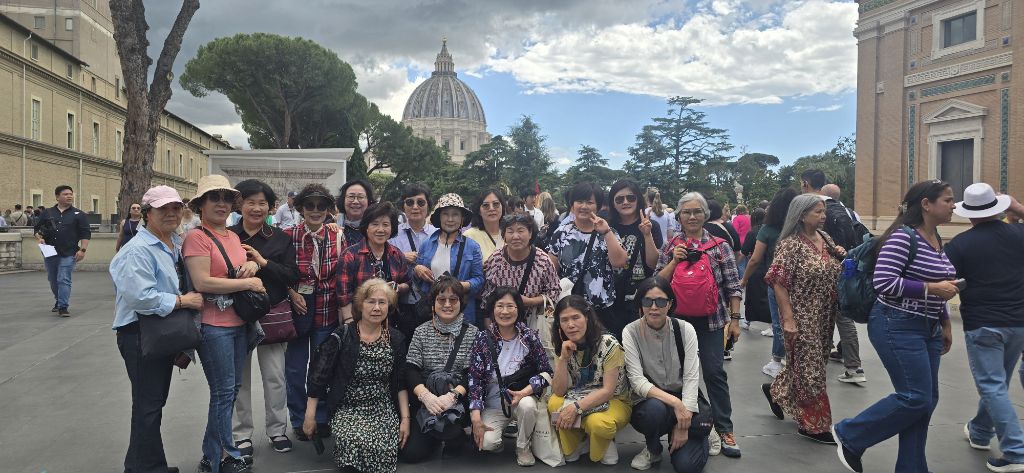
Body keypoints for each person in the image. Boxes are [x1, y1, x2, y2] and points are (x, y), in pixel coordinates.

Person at [832, 180, 958, 473]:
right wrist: (931, 288)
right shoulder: (903, 237)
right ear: (926, 204)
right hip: (896, 323)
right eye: (948, 200)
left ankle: (912, 468)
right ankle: (850, 434)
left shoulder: (935, 238)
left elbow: (942, 285)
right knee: (916, 397)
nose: (953, 205)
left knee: (926, 400)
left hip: (928, 327)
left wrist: (944, 322)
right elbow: (885, 282)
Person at [110, 185, 203, 473]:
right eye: (163, 209)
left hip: (158, 331)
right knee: (148, 405)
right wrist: (182, 301)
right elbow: (141, 297)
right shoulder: (137, 250)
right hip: (139, 333)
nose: (171, 213)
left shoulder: (173, 242)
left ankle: (146, 465)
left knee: (151, 403)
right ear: (147, 213)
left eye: (175, 208)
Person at [183, 175, 264, 473]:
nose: (221, 204)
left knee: (230, 391)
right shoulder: (196, 237)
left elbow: (238, 269)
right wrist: (248, 284)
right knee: (223, 392)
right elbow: (202, 282)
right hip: (213, 326)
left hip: (239, 324)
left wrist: (252, 264)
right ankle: (225, 455)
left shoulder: (232, 237)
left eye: (226, 198)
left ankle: (212, 455)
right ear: (201, 205)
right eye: (214, 198)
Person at [944, 183, 1024, 472]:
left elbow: (945, 282)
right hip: (1018, 322)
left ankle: (1015, 451)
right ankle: (979, 431)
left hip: (983, 324)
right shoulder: (1019, 234)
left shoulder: (960, 245)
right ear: (998, 208)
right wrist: (1017, 208)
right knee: (997, 384)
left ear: (969, 213)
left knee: (992, 385)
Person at [657, 192, 743, 458]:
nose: (692, 217)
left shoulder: (720, 246)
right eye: (686, 212)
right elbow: (657, 284)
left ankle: (724, 428)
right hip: (676, 323)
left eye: (697, 211)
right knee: (678, 375)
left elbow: (733, 286)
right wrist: (675, 260)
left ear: (705, 215)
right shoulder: (671, 246)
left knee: (714, 373)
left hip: (711, 322)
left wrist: (735, 320)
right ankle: (686, 424)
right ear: (679, 216)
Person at [761, 194, 845, 444]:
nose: (823, 216)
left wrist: (839, 255)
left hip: (825, 314)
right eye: (818, 211)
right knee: (811, 370)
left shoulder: (826, 238)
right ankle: (813, 424)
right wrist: (788, 319)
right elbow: (778, 282)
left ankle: (776, 391)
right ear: (801, 215)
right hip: (802, 314)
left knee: (812, 363)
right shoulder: (791, 244)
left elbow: (830, 268)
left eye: (823, 211)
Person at [304, 279, 411, 473]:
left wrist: (405, 419)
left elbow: (400, 382)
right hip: (348, 406)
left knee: (381, 449)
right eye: (371, 302)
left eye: (382, 302)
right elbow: (318, 376)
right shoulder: (343, 335)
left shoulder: (395, 338)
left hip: (381, 407)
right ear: (360, 305)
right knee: (353, 442)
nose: (376, 308)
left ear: (389, 307)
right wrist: (310, 416)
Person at [228, 180, 300, 459]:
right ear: (240, 205)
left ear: (270, 207)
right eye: (250, 202)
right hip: (236, 314)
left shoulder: (280, 238)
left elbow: (292, 275)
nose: (256, 208)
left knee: (275, 377)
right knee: (239, 379)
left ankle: (277, 430)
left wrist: (263, 263)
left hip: (272, 315)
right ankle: (241, 434)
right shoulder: (228, 236)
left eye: (262, 203)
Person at [623, 277, 708, 472]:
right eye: (647, 301)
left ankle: (702, 433)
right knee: (652, 411)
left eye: (661, 301)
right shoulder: (631, 331)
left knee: (687, 467)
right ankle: (653, 448)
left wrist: (683, 423)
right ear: (641, 304)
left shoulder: (685, 329)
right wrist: (676, 404)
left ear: (670, 304)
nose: (654, 307)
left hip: (683, 397)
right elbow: (637, 381)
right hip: (654, 400)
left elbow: (691, 377)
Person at [283, 184, 346, 442]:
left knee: (322, 367)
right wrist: (290, 292)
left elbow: (343, 273)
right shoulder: (288, 235)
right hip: (298, 310)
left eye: (322, 206)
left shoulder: (338, 236)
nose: (316, 210)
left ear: (328, 209)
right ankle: (299, 418)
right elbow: (277, 271)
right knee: (295, 369)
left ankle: (320, 417)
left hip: (327, 310)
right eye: (310, 205)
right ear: (301, 208)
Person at [467, 287, 554, 466]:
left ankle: (523, 446)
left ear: (518, 309)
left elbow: (547, 372)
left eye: (510, 306)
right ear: (493, 309)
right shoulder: (482, 338)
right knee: (487, 444)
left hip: (522, 399)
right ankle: (498, 440)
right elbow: (475, 378)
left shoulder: (529, 337)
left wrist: (525, 392)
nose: (505, 311)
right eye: (500, 306)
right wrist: (475, 416)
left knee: (528, 405)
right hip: (493, 404)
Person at [402, 276, 481, 462]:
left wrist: (452, 396)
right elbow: (411, 369)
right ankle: (434, 436)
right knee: (411, 454)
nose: (447, 304)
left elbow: (472, 373)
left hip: (457, 397)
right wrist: (426, 396)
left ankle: (455, 436)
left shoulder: (473, 333)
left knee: (450, 429)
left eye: (453, 300)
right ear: (433, 303)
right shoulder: (421, 331)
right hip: (426, 399)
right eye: (441, 299)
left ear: (461, 303)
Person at [548, 295, 631, 465]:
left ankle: (601, 439)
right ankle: (580, 439)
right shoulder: (562, 344)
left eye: (575, 317)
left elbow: (608, 391)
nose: (570, 325)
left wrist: (576, 408)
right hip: (578, 394)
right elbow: (559, 391)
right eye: (564, 320)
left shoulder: (609, 344)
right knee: (554, 402)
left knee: (597, 423)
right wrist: (562, 359)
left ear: (587, 317)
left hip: (613, 399)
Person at [801, 169, 866, 382]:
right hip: (847, 268)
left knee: (815, 317)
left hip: (822, 273)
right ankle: (854, 366)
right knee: (844, 318)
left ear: (805, 184)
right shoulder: (848, 211)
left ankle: (815, 362)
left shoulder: (810, 209)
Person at [545, 182, 628, 332]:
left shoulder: (608, 231)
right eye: (579, 201)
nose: (584, 206)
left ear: (598, 206)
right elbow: (551, 270)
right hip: (570, 307)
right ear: (572, 205)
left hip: (601, 308)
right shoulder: (562, 233)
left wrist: (606, 232)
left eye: (590, 202)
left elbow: (620, 262)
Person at [741, 187, 798, 377]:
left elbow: (755, 259)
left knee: (779, 321)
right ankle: (796, 359)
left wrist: (744, 279)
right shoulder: (800, 228)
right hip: (800, 281)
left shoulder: (768, 230)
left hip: (777, 282)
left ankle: (777, 360)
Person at [481, 214, 561, 342]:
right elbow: (487, 298)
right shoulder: (496, 259)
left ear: (530, 233)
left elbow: (555, 291)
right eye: (510, 231)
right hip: (502, 326)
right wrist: (491, 332)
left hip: (533, 325)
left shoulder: (542, 260)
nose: (515, 236)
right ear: (504, 235)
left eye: (520, 231)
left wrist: (530, 301)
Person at [413, 193, 485, 325]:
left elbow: (479, 280)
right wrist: (417, 269)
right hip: (431, 312)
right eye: (445, 214)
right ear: (439, 217)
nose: (450, 219)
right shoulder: (427, 244)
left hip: (462, 313)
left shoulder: (472, 247)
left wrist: (460, 286)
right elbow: (416, 280)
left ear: (462, 218)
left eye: (455, 214)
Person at [338, 202, 412, 323]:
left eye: (385, 225)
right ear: (366, 227)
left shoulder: (397, 254)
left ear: (392, 228)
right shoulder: (350, 255)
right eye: (375, 224)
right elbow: (343, 295)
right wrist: (350, 323)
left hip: (390, 321)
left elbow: (407, 282)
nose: (380, 229)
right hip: (359, 320)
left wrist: (397, 287)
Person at [608, 179, 663, 340]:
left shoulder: (651, 225)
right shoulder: (607, 227)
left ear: (638, 199)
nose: (625, 202)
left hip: (642, 297)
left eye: (630, 198)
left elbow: (653, 264)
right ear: (613, 203)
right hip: (612, 298)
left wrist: (647, 234)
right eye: (619, 199)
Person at [389, 183, 437, 340]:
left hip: (433, 303)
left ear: (428, 206)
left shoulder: (438, 234)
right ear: (403, 206)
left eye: (420, 202)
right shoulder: (392, 234)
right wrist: (402, 257)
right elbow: (383, 260)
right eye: (410, 202)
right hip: (403, 304)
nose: (415, 207)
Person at [34, 185, 91, 317]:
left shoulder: (79, 214)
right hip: (49, 251)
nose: (69, 196)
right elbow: (36, 229)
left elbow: (85, 233)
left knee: (64, 278)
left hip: (69, 252)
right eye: (65, 194)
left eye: (71, 194)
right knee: (53, 279)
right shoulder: (47, 213)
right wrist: (39, 238)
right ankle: (59, 300)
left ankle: (63, 306)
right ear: (57, 197)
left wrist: (82, 250)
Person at [740, 208, 771, 331]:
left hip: (755, 268)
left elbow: (744, 251)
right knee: (768, 296)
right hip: (769, 266)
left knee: (751, 296)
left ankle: (747, 320)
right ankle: (771, 325)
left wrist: (736, 264)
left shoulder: (753, 233)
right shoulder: (769, 231)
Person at [464, 188, 507, 261]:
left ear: (502, 207)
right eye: (486, 205)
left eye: (496, 204)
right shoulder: (469, 236)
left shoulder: (510, 232)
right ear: (479, 211)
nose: (491, 208)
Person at [336, 179, 374, 245]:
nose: (355, 201)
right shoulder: (332, 225)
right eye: (351, 196)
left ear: (369, 200)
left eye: (360, 197)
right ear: (343, 199)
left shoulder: (375, 226)